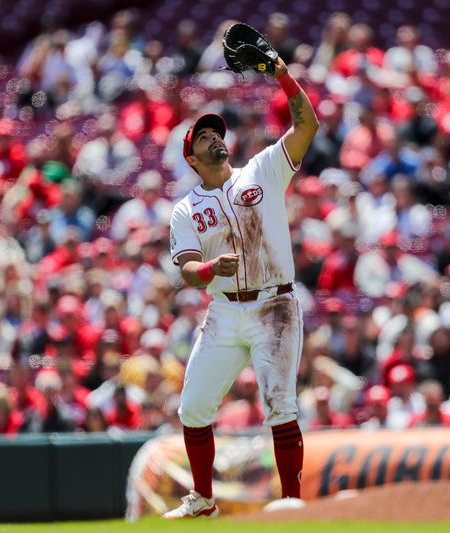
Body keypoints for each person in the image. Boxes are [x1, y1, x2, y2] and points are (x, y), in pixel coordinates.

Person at [165, 52, 318, 519]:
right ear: (192, 157)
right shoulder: (186, 209)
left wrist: (282, 75)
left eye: (216, 133)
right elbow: (187, 270)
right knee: (192, 408)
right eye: (204, 137)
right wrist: (212, 269)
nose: (214, 138)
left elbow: (306, 125)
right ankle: (203, 499)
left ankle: (291, 503)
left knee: (279, 404)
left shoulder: (262, 169)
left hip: (275, 303)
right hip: (226, 310)